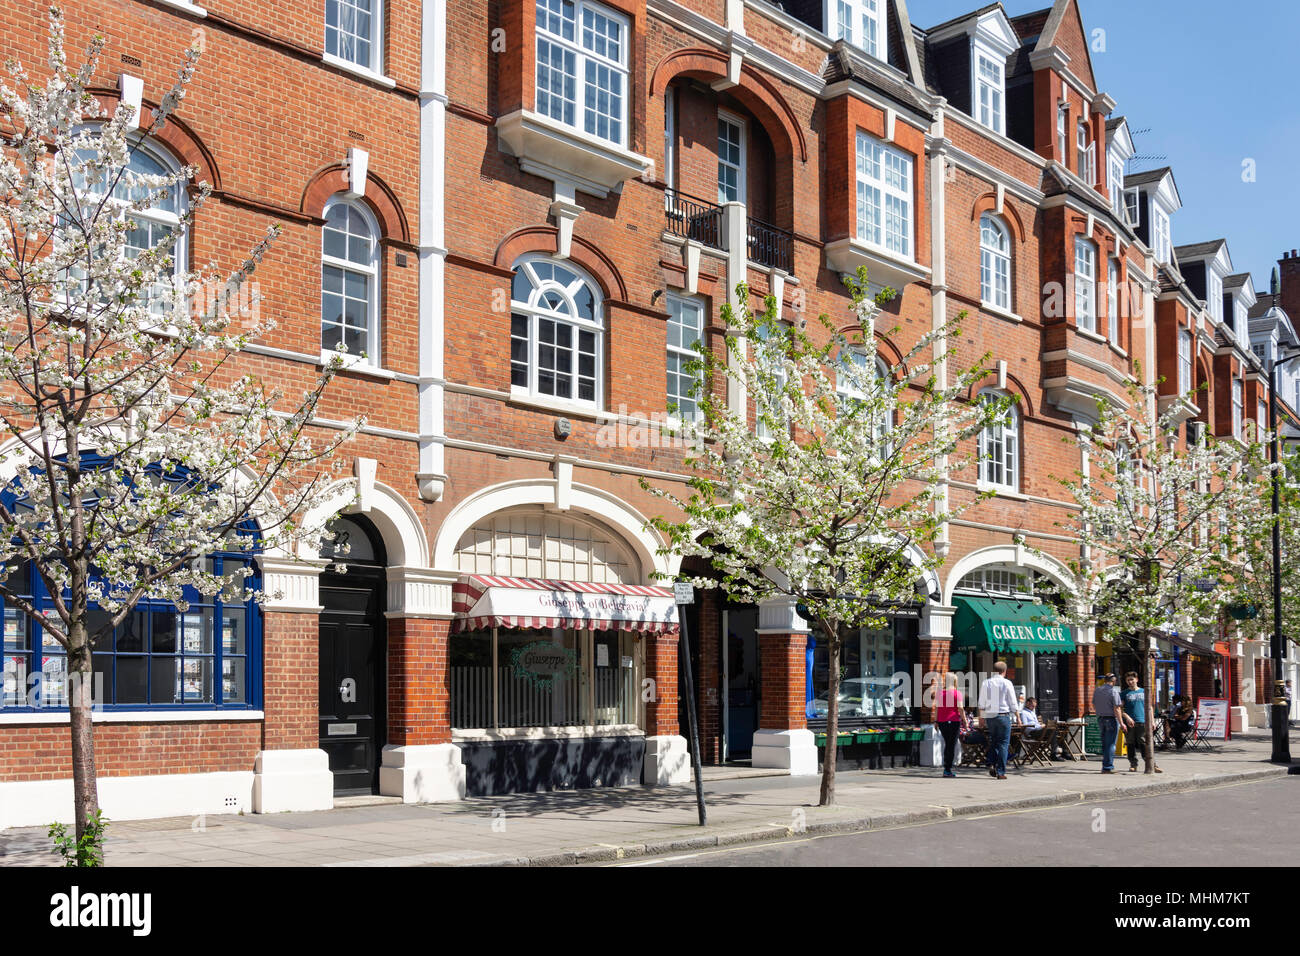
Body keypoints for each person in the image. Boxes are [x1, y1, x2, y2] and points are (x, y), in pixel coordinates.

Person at [978, 661, 1019, 780]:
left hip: (990, 716)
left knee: (993, 742)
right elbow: (1012, 701)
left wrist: (981, 718)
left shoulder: (986, 683)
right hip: (1003, 716)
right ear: (1005, 671)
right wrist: (1018, 716)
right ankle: (1001, 771)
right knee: (1003, 744)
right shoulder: (1007, 683)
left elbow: (982, 702)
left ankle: (992, 763)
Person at [1120, 672, 1161, 773]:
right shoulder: (1124, 693)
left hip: (1143, 721)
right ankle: (1133, 764)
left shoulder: (1144, 691)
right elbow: (1119, 709)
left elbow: (1150, 707)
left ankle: (1152, 764)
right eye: (1128, 680)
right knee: (1130, 743)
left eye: (1132, 679)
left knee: (1144, 743)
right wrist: (1127, 717)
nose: (1130, 682)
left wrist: (1152, 721)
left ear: (1136, 680)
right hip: (1130, 723)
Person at [1091, 673, 1123, 773]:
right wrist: (1122, 723)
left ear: (1105, 680)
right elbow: (1117, 708)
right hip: (1111, 719)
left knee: (1105, 743)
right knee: (1111, 744)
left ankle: (1105, 765)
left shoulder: (1097, 690)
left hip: (1100, 719)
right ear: (1114, 681)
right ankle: (1108, 767)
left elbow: (1094, 704)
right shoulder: (1113, 691)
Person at [934, 673, 964, 778]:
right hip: (954, 721)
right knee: (951, 745)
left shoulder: (939, 693)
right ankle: (947, 769)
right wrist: (964, 719)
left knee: (948, 744)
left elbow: (937, 708)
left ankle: (947, 768)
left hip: (942, 722)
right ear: (955, 681)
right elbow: (960, 708)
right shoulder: (957, 693)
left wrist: (935, 721)